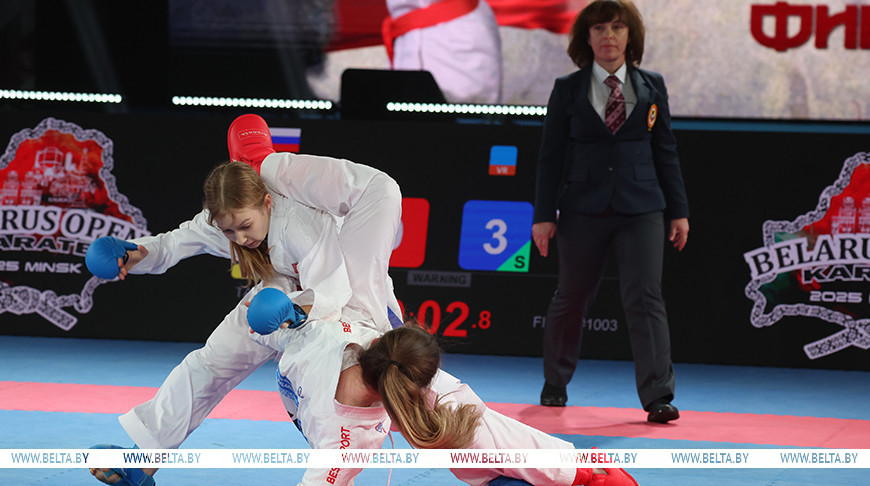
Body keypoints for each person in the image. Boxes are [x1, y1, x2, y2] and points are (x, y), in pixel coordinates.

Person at [87, 114, 404, 486]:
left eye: (245, 226)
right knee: (208, 364)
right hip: (278, 295)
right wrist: (136, 254)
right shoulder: (227, 217)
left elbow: (333, 289)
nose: (239, 239)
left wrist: (292, 310)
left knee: (395, 390)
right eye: (229, 231)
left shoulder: (299, 221)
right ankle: (142, 463)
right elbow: (175, 242)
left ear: (267, 203)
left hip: (338, 306)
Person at [242, 287, 639, 486]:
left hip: (575, 473)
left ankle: (592, 474)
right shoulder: (347, 441)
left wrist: (274, 317)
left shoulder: (334, 335)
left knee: (478, 443)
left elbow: (283, 324)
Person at [532, 0, 689, 423]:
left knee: (645, 297)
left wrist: (679, 210)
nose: (608, 36)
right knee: (571, 296)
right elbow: (550, 156)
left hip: (643, 208)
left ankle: (658, 396)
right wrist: (543, 215)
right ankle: (555, 383)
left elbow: (666, 150)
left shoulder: (652, 85)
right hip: (582, 208)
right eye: (599, 28)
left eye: (617, 27)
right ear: (587, 37)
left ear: (629, 36)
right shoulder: (567, 87)